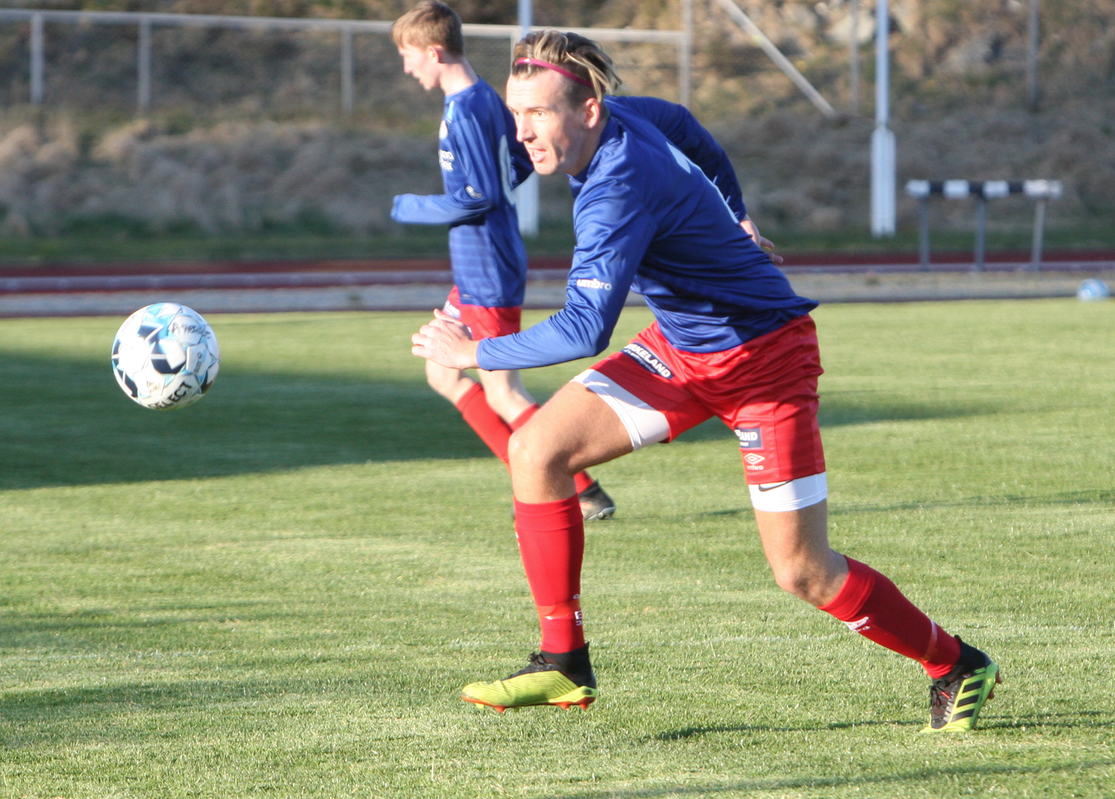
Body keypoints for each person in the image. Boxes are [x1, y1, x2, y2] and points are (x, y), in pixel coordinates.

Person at [411, 30, 1000, 733]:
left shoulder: (614, 189)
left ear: (590, 110)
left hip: (765, 362)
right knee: (536, 451)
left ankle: (956, 662)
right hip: (683, 352)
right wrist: (737, 209)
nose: (522, 131)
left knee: (803, 571)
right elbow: (688, 125)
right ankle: (564, 659)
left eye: (539, 113)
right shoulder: (627, 119)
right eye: (516, 113)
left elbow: (582, 330)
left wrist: (477, 351)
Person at [389, 1, 615, 521]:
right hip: (479, 265)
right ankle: (562, 486)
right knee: (441, 373)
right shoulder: (483, 100)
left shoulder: (468, 107)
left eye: (408, 56)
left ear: (434, 51)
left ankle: (576, 491)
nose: (407, 68)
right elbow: (514, 166)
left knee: (503, 391)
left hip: (487, 269)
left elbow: (478, 196)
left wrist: (409, 206)